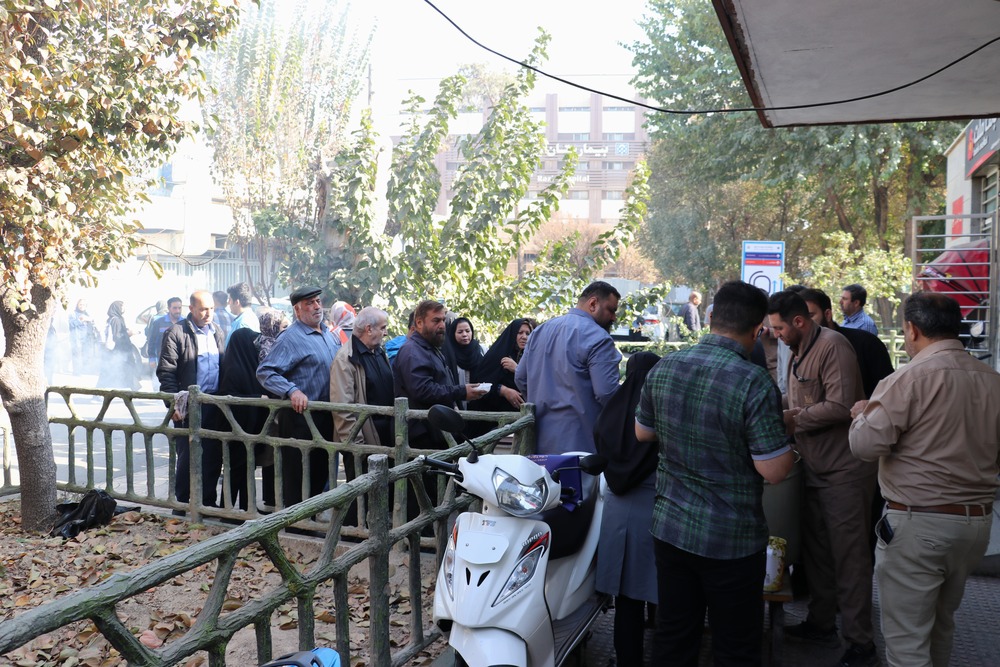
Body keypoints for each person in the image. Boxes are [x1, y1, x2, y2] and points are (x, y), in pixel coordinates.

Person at [636, 280, 794, 666]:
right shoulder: (754, 382)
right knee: (735, 647)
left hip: (671, 529)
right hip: (731, 540)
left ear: (710, 318)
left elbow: (643, 432)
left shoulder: (665, 366)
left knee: (673, 636)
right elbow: (775, 470)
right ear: (757, 330)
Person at [849, 292, 1000, 667]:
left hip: (919, 524)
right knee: (940, 628)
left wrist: (863, 415)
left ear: (912, 329)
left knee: (907, 644)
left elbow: (865, 446)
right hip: (975, 525)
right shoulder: (992, 380)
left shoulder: (907, 379)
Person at [767, 290, 878, 667]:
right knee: (816, 555)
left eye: (779, 328)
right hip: (813, 468)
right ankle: (821, 623)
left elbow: (842, 406)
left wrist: (792, 419)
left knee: (849, 558)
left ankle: (861, 643)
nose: (775, 335)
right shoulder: (795, 348)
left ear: (799, 321)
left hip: (844, 471)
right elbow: (795, 398)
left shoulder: (833, 346)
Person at [595, 351, 661, 667]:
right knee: (661, 589)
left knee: (627, 599)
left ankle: (628, 660)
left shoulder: (611, 412)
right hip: (655, 510)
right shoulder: (657, 413)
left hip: (617, 513)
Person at [256, 286, 341, 507]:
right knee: (299, 476)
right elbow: (265, 371)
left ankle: (311, 517)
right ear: (297, 310)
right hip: (300, 419)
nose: (316, 307)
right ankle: (296, 523)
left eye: (318, 301)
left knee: (320, 474)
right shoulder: (290, 337)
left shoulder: (329, 334)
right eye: (309, 303)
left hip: (327, 416)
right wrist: (291, 390)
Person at [515, 281, 621, 455]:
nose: (614, 317)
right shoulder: (599, 338)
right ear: (593, 304)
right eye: (611, 310)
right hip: (581, 443)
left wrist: (540, 399)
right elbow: (606, 393)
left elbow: (520, 377)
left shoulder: (540, 331)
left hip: (539, 440)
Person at [156, 291, 226, 508]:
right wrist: (173, 404)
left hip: (214, 403)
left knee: (212, 455)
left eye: (211, 309)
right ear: (192, 309)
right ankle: (183, 502)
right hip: (188, 405)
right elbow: (166, 371)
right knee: (187, 456)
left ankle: (207, 501)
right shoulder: (176, 332)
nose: (208, 313)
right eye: (203, 309)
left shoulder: (217, 331)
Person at [392, 300, 487, 448]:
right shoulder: (412, 351)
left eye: (443, 320)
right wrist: (461, 392)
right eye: (436, 321)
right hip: (422, 433)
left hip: (436, 429)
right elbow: (423, 390)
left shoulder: (430, 348)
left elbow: (441, 382)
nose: (442, 325)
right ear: (419, 323)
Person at [330, 306, 393, 525]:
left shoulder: (378, 351)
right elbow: (342, 407)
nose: (385, 332)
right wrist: (356, 445)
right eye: (383, 327)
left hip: (382, 437)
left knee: (377, 494)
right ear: (368, 329)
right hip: (362, 442)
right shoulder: (345, 358)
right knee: (359, 496)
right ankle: (350, 535)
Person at [800, 288, 894, 399]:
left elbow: (889, 391)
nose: (802, 324)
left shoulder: (866, 344)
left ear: (827, 314)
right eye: (798, 320)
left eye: (810, 316)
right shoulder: (798, 351)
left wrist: (867, 404)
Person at [469, 318, 531, 413]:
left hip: (519, 413)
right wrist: (503, 390)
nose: (524, 337)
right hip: (492, 413)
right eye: (520, 333)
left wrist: (517, 369)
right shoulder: (498, 354)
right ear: (512, 334)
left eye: (528, 333)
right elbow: (481, 381)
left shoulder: (529, 357)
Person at [97, 301, 143, 390]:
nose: (123, 309)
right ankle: (98, 392)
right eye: (121, 306)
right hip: (119, 350)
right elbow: (117, 336)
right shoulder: (116, 320)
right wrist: (128, 333)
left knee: (127, 370)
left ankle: (134, 389)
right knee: (109, 372)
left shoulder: (117, 319)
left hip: (120, 350)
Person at [444, 317, 484, 388]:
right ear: (453, 334)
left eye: (468, 331)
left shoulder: (481, 350)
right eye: (460, 332)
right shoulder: (448, 354)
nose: (464, 334)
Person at [146, 297, 183, 373]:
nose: (178, 311)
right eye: (175, 308)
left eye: (179, 308)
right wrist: (152, 358)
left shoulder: (185, 322)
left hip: (181, 361)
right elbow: (152, 341)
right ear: (168, 308)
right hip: (163, 361)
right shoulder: (158, 323)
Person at [68, 299, 96, 375]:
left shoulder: (87, 314)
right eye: (80, 304)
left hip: (87, 338)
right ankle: (77, 372)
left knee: (87, 355)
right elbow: (71, 324)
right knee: (77, 356)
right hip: (77, 338)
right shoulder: (73, 314)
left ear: (86, 306)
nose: (82, 306)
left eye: (84, 305)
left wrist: (90, 320)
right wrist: (80, 320)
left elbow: (92, 325)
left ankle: (85, 371)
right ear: (77, 305)